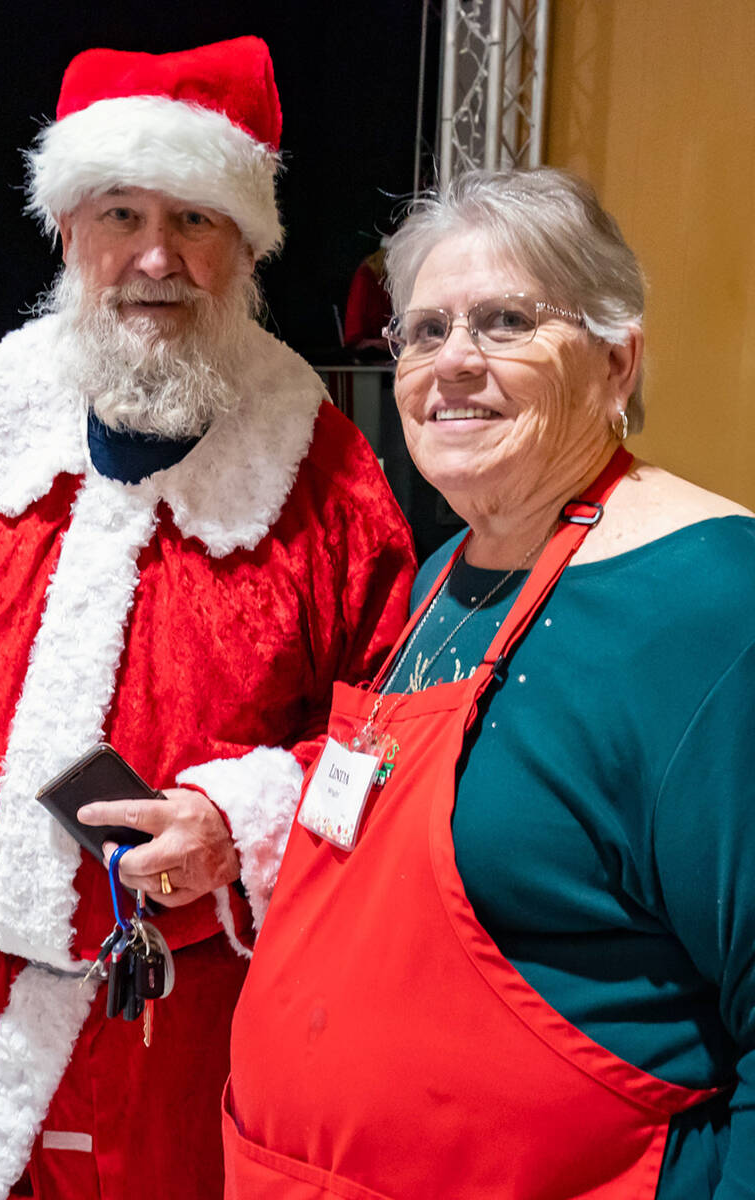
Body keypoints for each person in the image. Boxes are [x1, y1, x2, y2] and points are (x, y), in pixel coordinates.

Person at [0, 37, 415, 1200]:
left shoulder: (328, 477)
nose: (155, 257)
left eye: (197, 218)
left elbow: (388, 742)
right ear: (68, 229)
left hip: (188, 1022)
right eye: (120, 212)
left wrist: (242, 821)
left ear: (247, 248)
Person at [225, 167, 755, 1199]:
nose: (451, 364)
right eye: (422, 332)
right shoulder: (444, 578)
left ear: (615, 363)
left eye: (505, 321)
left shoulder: (712, 610)